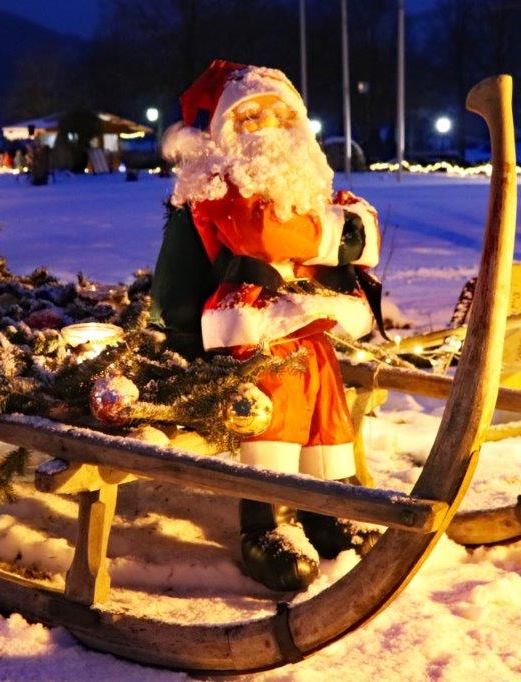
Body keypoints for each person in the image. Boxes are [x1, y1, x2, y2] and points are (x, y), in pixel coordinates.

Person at [153, 60, 381, 592]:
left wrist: (336, 230)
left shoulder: (302, 184)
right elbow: (267, 234)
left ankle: (330, 507)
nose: (269, 129)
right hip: (244, 325)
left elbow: (367, 230)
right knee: (277, 396)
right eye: (250, 117)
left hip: (301, 319)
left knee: (325, 398)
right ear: (222, 131)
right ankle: (269, 518)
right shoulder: (218, 184)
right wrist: (337, 235)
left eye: (282, 116)